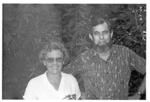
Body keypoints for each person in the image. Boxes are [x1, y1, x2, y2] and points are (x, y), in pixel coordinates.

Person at [63, 17, 146, 99]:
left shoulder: (125, 54)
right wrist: (78, 94)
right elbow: (61, 76)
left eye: (105, 32)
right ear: (91, 37)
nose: (101, 37)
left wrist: (139, 93)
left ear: (111, 34)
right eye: (96, 33)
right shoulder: (84, 58)